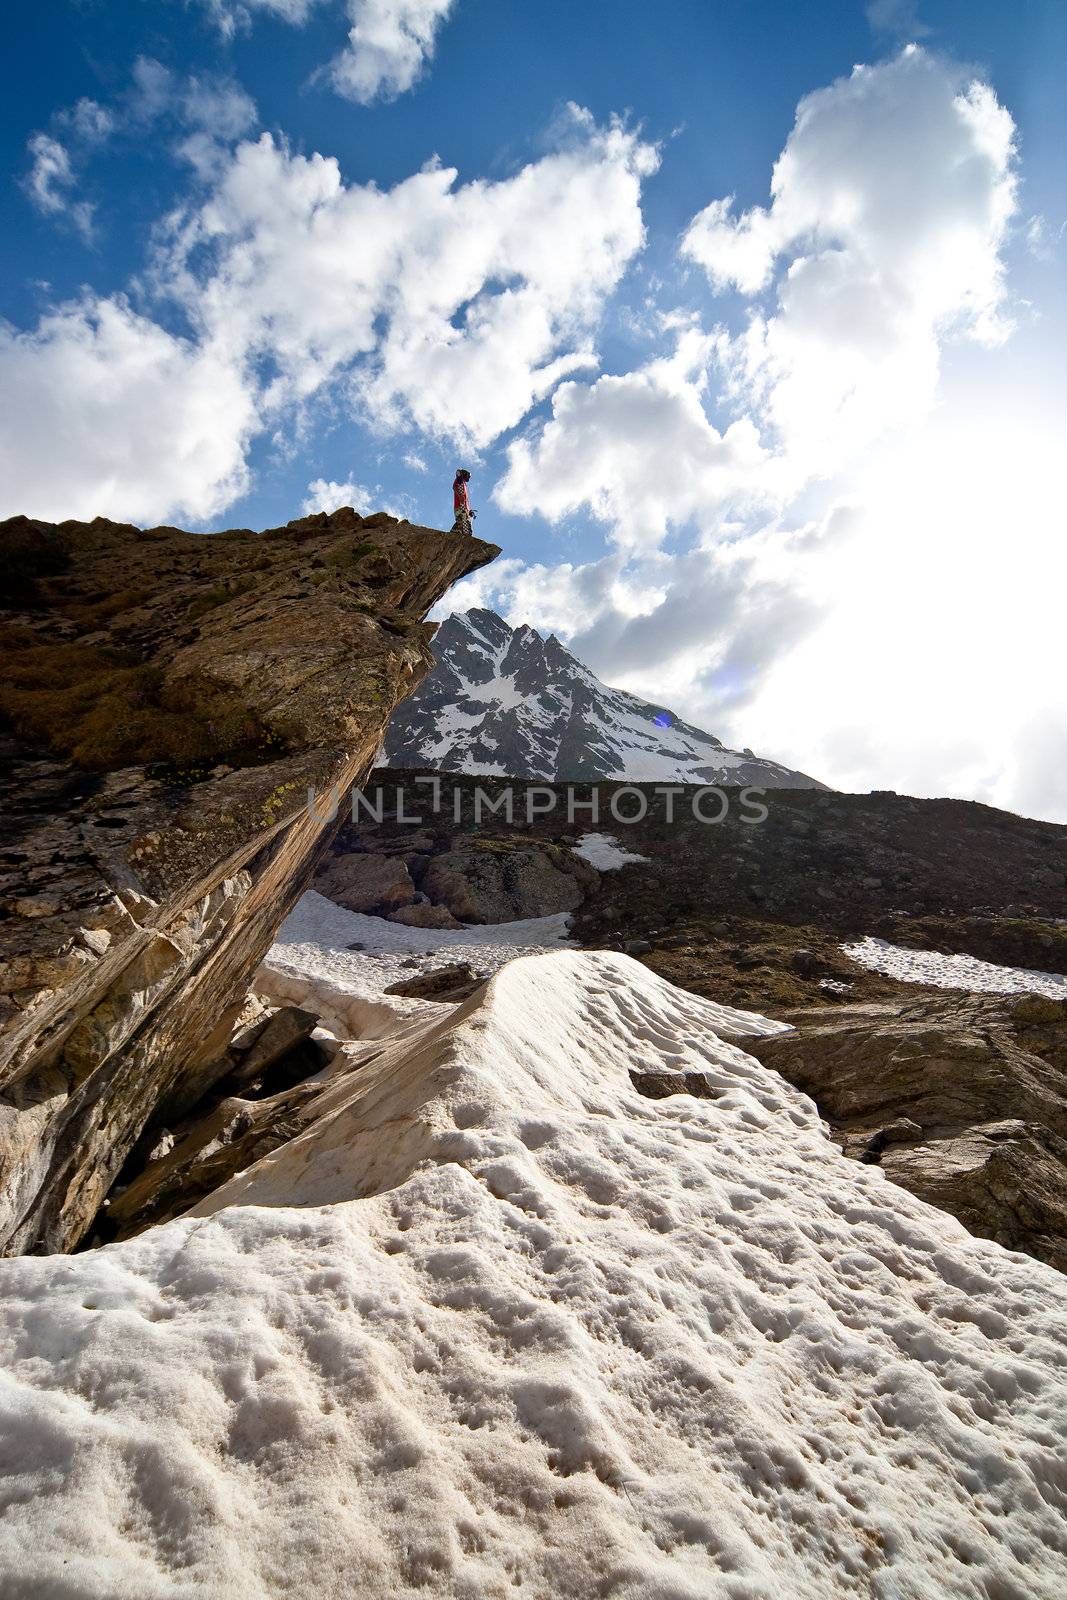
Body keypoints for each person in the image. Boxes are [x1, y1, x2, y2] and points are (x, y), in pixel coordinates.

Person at [451, 468, 474, 535]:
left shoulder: (464, 484)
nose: (469, 478)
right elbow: (454, 487)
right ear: (464, 474)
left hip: (464, 506)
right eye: (468, 476)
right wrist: (459, 495)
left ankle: (457, 532)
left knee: (463, 521)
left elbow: (465, 499)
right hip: (460, 506)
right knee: (464, 520)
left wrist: (470, 511)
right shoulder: (460, 480)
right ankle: (460, 532)